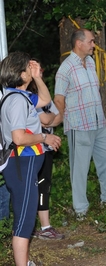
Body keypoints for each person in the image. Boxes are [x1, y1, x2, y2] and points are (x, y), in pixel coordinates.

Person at [54, 29, 106, 221]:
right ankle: (81, 208)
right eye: (91, 42)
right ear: (79, 43)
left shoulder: (91, 62)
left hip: (98, 121)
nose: (94, 45)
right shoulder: (66, 68)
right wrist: (66, 118)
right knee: (79, 168)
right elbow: (58, 98)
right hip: (79, 125)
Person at [0, 51, 61, 266]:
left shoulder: (22, 96)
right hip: (21, 164)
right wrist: (45, 136)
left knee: (25, 217)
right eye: (28, 68)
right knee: (25, 222)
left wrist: (37, 77)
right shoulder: (16, 100)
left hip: (26, 164)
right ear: (20, 74)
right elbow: (18, 138)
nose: (31, 69)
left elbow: (45, 100)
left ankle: (24, 262)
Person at [26, 59, 65, 240]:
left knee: (44, 184)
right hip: (33, 148)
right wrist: (47, 117)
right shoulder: (27, 96)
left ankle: (43, 225)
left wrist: (47, 117)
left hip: (46, 147)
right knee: (35, 186)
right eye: (36, 70)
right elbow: (47, 120)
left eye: (40, 69)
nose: (40, 72)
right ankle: (41, 226)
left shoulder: (43, 95)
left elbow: (57, 118)